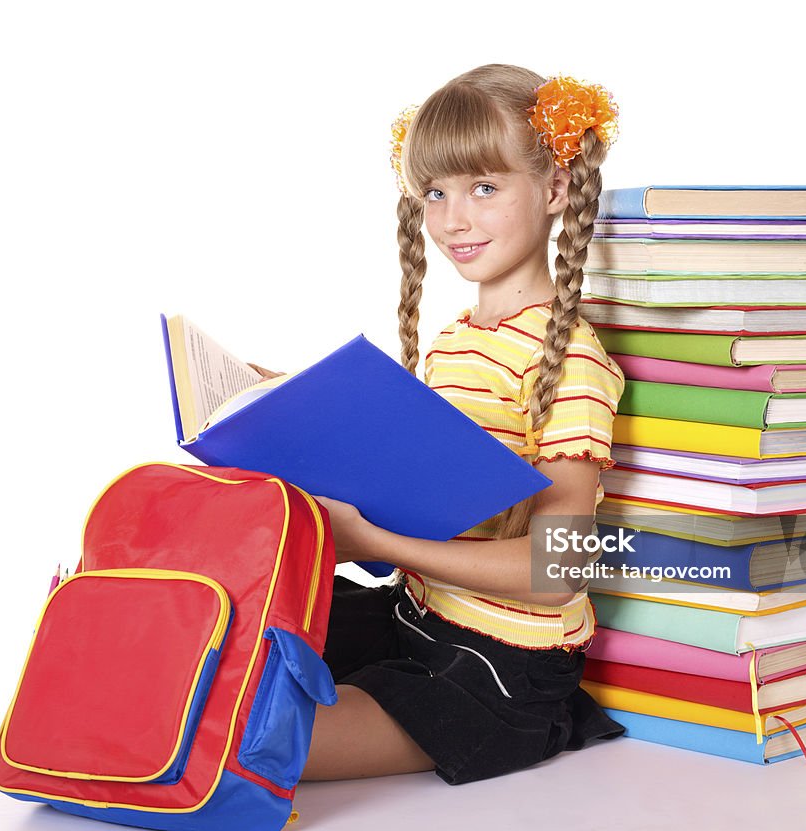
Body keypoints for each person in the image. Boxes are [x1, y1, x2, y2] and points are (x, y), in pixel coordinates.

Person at [306, 64, 628, 786]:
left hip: (499, 671)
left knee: (252, 738)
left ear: (555, 189)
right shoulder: (456, 342)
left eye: (484, 187)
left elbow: (560, 567)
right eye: (436, 191)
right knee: (228, 627)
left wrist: (378, 541)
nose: (453, 218)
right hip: (416, 617)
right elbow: (426, 492)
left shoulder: (569, 360)